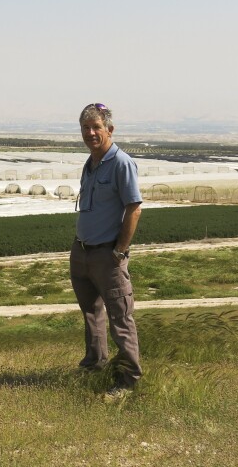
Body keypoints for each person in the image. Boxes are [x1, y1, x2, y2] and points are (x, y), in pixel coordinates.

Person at [70, 103, 143, 396]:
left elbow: (134, 208)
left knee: (120, 318)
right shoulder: (90, 163)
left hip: (107, 255)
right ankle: (94, 367)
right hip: (83, 252)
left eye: (96, 127)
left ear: (109, 130)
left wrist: (120, 251)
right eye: (86, 128)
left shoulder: (121, 163)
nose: (90, 133)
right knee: (91, 314)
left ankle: (127, 381)